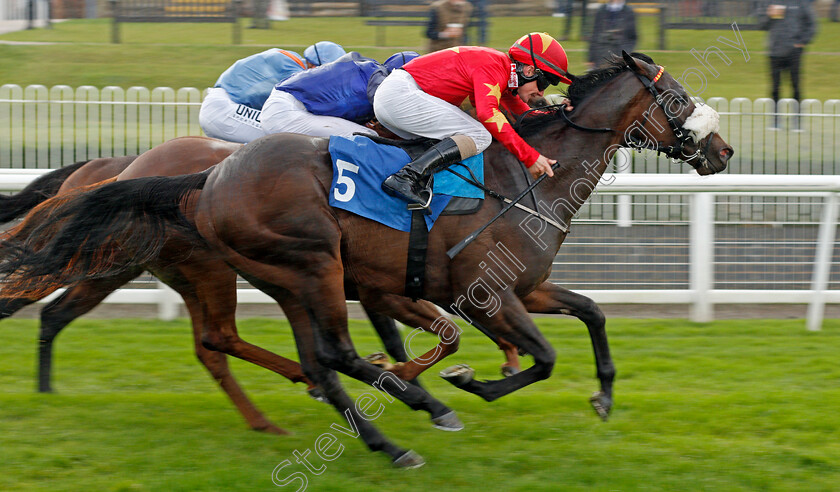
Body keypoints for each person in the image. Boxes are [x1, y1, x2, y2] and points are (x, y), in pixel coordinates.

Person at [374, 32, 573, 206]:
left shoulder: (503, 73)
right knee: (480, 135)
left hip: (398, 97)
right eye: (544, 83)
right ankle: (406, 177)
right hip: (400, 96)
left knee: (470, 134)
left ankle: (418, 180)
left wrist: (562, 116)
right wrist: (530, 158)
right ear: (530, 71)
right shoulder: (494, 67)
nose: (541, 92)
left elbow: (524, 115)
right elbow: (488, 114)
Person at [198, 41, 346, 143]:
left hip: (223, 107)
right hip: (224, 109)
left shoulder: (291, 62)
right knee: (283, 140)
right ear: (315, 66)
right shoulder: (292, 67)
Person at [261, 51, 420, 138]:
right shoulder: (378, 79)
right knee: (368, 137)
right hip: (287, 111)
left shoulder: (370, 70)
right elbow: (395, 109)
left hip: (287, 106)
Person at [758, 0, 816, 130]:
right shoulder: (771, 2)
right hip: (774, 51)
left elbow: (812, 25)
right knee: (775, 88)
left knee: (795, 86)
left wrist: (802, 42)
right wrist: (769, 15)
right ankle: (776, 121)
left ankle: (797, 122)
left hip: (793, 52)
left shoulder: (801, 3)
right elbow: (761, 24)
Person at [587, 0, 637, 69]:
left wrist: (625, 55)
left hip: (619, 56)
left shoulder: (628, 12)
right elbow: (595, 35)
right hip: (601, 56)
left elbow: (631, 37)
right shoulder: (601, 11)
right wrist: (591, 58)